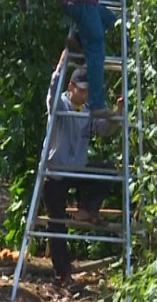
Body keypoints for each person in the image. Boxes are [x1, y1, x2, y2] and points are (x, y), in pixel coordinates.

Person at [43, 66, 123, 288]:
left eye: (89, 92)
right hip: (56, 172)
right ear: (71, 87)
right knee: (56, 222)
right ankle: (64, 274)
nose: (86, 95)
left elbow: (104, 129)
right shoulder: (61, 105)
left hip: (76, 169)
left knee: (106, 170)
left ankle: (86, 209)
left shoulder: (87, 110)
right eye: (83, 91)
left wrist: (116, 115)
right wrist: (58, 70)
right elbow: (51, 96)